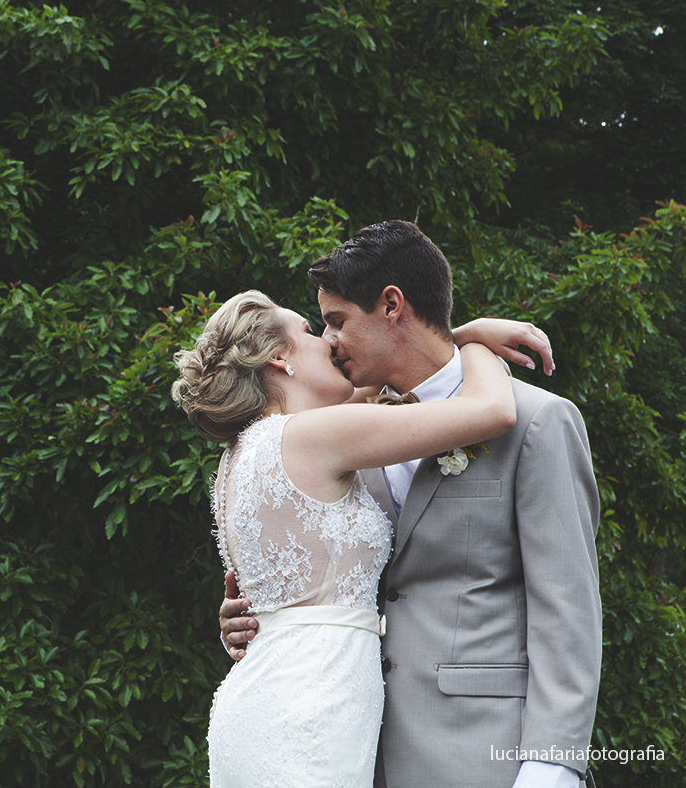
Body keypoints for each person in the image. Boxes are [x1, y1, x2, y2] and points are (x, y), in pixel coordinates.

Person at [217, 221, 601, 788]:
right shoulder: (347, 435)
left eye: (337, 321)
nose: (329, 342)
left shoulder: (539, 422)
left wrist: (552, 764)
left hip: (488, 752)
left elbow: (568, 607)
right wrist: (262, 621)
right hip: (354, 745)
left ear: (392, 305)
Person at [173, 286, 528, 787]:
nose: (330, 342)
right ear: (279, 357)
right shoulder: (313, 438)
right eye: (310, 331)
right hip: (312, 712)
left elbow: (376, 388)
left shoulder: (242, 453)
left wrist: (451, 337)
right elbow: (493, 410)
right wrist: (474, 347)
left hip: (270, 700)